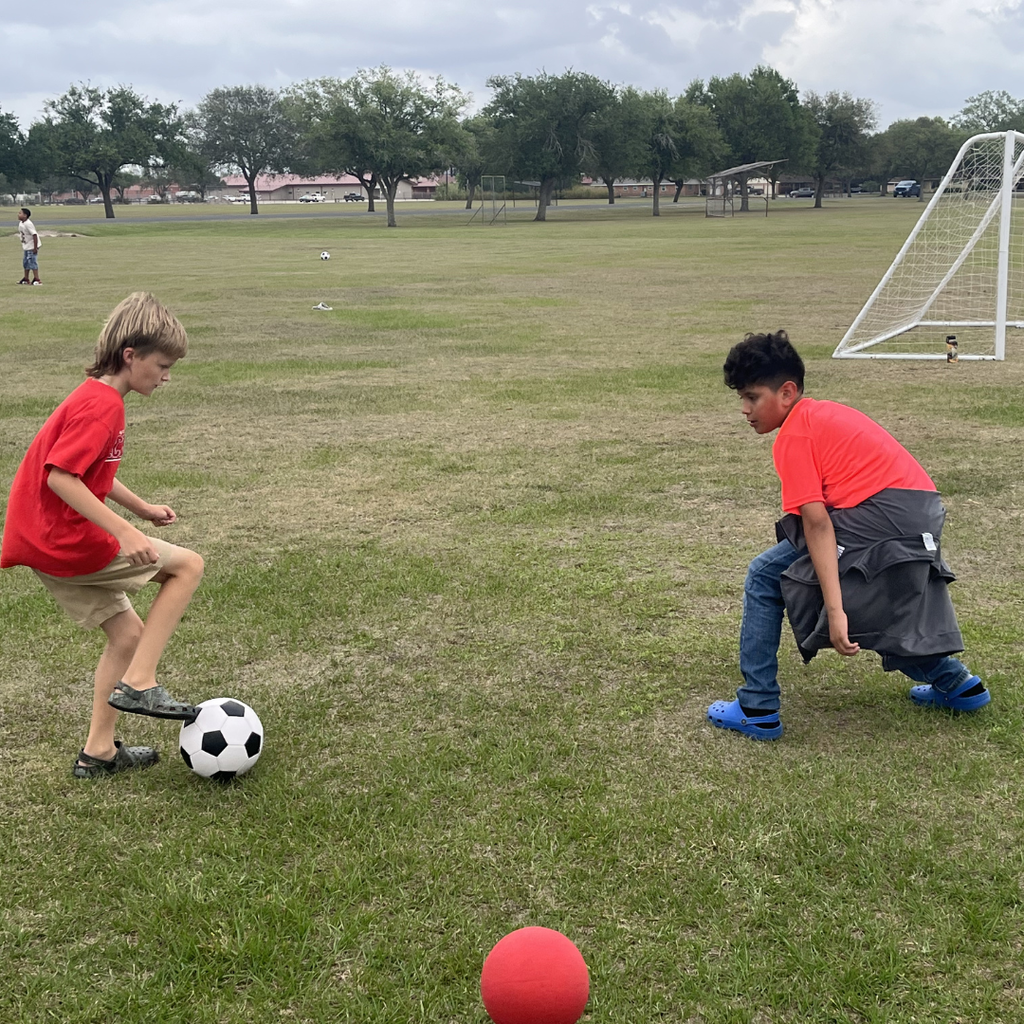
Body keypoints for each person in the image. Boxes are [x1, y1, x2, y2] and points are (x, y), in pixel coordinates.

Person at [708, 330, 989, 741]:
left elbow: (817, 524)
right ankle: (959, 685)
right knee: (873, 594)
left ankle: (757, 707)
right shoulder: (818, 415)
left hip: (889, 516)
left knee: (767, 575)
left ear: (787, 392)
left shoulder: (795, 435)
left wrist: (836, 610)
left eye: (752, 397)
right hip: (917, 510)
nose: (745, 409)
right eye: (741, 399)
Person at [1, 292, 204, 777]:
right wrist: (125, 530)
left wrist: (142, 508)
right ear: (130, 355)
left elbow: (93, 473)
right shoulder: (102, 406)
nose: (167, 375)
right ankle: (141, 681)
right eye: (162, 364)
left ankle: (99, 752)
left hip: (44, 543)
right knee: (188, 566)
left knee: (127, 633)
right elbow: (60, 477)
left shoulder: (94, 396)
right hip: (62, 539)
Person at [17, 207, 41, 285]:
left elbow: (34, 235)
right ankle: (26, 278)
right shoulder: (21, 223)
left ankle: (37, 279)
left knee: (32, 262)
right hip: (26, 246)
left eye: (20, 213)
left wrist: (35, 248)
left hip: (32, 246)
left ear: (25, 215)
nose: (18, 215)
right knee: (26, 263)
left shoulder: (28, 224)